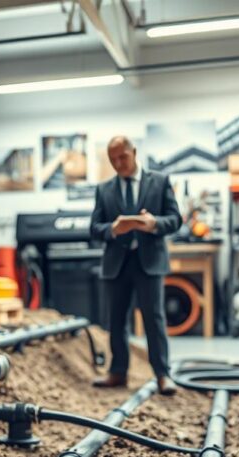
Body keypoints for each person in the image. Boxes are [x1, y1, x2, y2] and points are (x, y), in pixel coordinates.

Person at [89, 136, 182, 394]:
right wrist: (112, 229)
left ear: (135, 152)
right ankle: (118, 372)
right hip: (116, 264)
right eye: (113, 160)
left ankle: (162, 374)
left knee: (154, 319)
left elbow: (175, 219)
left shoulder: (160, 181)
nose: (119, 164)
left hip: (149, 262)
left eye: (123, 157)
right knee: (116, 320)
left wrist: (154, 224)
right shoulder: (104, 189)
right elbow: (94, 228)